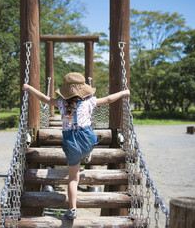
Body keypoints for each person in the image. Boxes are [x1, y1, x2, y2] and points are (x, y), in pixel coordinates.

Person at [22, 72, 130, 219]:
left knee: (73, 179)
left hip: (71, 142)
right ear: (83, 88)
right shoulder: (90, 101)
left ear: (66, 91)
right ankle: (86, 153)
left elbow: (43, 98)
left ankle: (72, 210)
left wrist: (29, 88)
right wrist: (124, 92)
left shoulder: (61, 103)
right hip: (88, 139)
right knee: (92, 142)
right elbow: (109, 99)